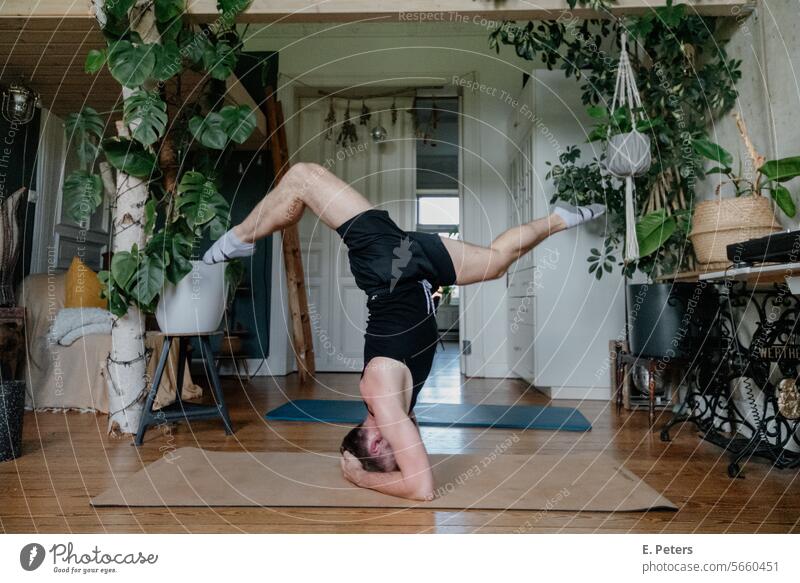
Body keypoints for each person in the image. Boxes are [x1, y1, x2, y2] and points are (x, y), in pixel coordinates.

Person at [203, 162, 604, 501]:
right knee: (497, 262)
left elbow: (416, 483)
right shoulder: (394, 406)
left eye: (398, 444)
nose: (407, 440)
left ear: (379, 443)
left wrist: (366, 474)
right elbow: (422, 487)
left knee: (303, 178)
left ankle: (239, 238)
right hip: (412, 267)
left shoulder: (383, 397)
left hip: (390, 267)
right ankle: (560, 218)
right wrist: (361, 474)